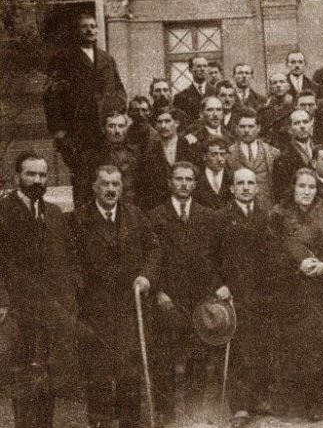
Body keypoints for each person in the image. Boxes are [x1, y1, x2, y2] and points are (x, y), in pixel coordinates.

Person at [71, 165, 160, 428]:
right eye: (105, 184)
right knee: (98, 371)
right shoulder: (78, 219)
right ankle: (99, 422)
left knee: (129, 370)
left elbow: (154, 249)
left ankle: (129, 423)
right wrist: (81, 289)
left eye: (116, 184)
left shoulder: (135, 215)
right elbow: (70, 260)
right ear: (94, 187)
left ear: (121, 187)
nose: (111, 189)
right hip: (94, 308)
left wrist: (146, 276)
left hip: (129, 306)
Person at [268, 168, 323, 421]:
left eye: (311, 187)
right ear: (293, 188)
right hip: (295, 288)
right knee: (305, 345)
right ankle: (311, 401)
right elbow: (271, 250)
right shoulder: (278, 215)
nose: (307, 192)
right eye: (302, 186)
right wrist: (299, 263)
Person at [0, 153, 81, 428]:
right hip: (17, 311)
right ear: (17, 178)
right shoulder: (3, 212)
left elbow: (69, 256)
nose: (37, 180)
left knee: (49, 376)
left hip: (51, 311)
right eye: (30, 174)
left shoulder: (54, 213)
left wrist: (68, 296)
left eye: (42, 175)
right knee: (23, 379)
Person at [148, 162, 221, 424]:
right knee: (165, 355)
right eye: (178, 179)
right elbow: (150, 258)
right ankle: (164, 411)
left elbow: (214, 257)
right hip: (168, 297)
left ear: (195, 184)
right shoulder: (155, 216)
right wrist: (159, 290)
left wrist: (214, 288)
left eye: (189, 179)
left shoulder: (207, 216)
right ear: (170, 182)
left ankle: (194, 411)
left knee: (198, 355)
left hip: (199, 297)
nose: (183, 184)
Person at [213, 167, 280, 427]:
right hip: (234, 293)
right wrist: (219, 284)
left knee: (262, 343)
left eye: (250, 183)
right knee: (239, 348)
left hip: (262, 292)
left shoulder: (266, 216)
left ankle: (259, 398)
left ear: (257, 187)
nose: (245, 187)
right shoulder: (221, 218)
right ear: (232, 188)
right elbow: (208, 256)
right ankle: (240, 405)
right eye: (240, 183)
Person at [44, 13, 127, 207]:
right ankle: (83, 223)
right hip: (78, 135)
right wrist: (60, 133)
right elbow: (51, 96)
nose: (89, 30)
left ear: (97, 30)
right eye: (84, 26)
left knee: (107, 181)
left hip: (105, 135)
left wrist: (117, 112)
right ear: (77, 31)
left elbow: (119, 89)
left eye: (92, 26)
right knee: (83, 184)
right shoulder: (64, 58)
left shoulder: (106, 58)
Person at [136, 106, 197, 211]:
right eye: (159, 122)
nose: (163, 126)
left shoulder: (190, 147)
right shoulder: (149, 153)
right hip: (160, 208)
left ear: (177, 123)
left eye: (167, 121)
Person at [225, 107, 281, 212]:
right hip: (240, 210)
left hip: (267, 209)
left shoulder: (273, 152)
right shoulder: (229, 154)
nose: (246, 130)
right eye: (242, 126)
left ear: (258, 128)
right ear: (236, 128)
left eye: (251, 126)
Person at [272, 109, 317, 200]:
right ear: (289, 129)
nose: (302, 126)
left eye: (305, 122)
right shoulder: (282, 159)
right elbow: (282, 193)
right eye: (297, 123)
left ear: (311, 126)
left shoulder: (321, 150)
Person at [99, 111, 139, 205]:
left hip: (131, 206)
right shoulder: (92, 155)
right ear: (103, 129)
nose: (117, 131)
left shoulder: (136, 153)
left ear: (126, 128)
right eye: (111, 126)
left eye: (121, 126)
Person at [193, 136, 233, 210]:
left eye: (222, 154)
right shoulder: (196, 177)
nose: (219, 159)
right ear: (204, 156)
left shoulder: (232, 177)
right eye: (214, 154)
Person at [259, 73, 295, 147]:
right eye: (275, 83)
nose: (278, 85)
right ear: (271, 88)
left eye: (282, 82)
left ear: (288, 86)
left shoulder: (294, 107)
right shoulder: (264, 110)